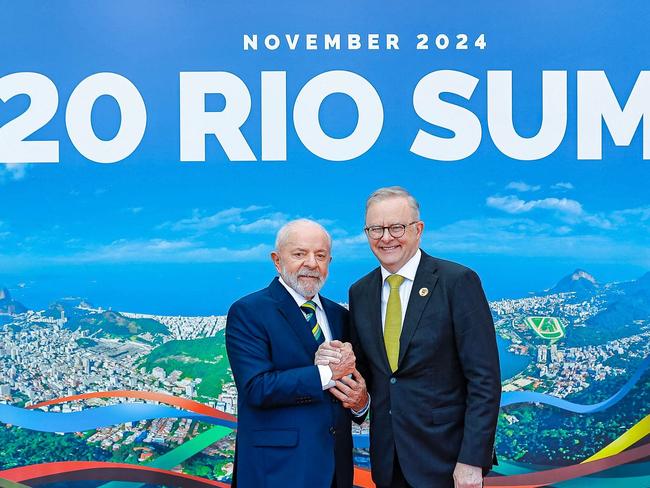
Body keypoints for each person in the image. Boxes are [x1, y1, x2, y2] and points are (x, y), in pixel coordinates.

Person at [318, 187, 501, 488]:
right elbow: (370, 374)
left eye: (396, 227)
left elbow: (484, 379)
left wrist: (471, 460)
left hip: (448, 462)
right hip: (389, 462)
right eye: (375, 228)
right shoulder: (360, 292)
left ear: (418, 230)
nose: (385, 237)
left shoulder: (457, 282)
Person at [226, 219, 368, 488]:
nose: (312, 263)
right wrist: (326, 373)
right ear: (277, 260)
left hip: (336, 471)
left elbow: (352, 389)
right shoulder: (248, 311)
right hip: (277, 471)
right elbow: (256, 388)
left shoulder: (341, 316)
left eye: (321, 255)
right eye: (300, 254)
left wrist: (361, 402)